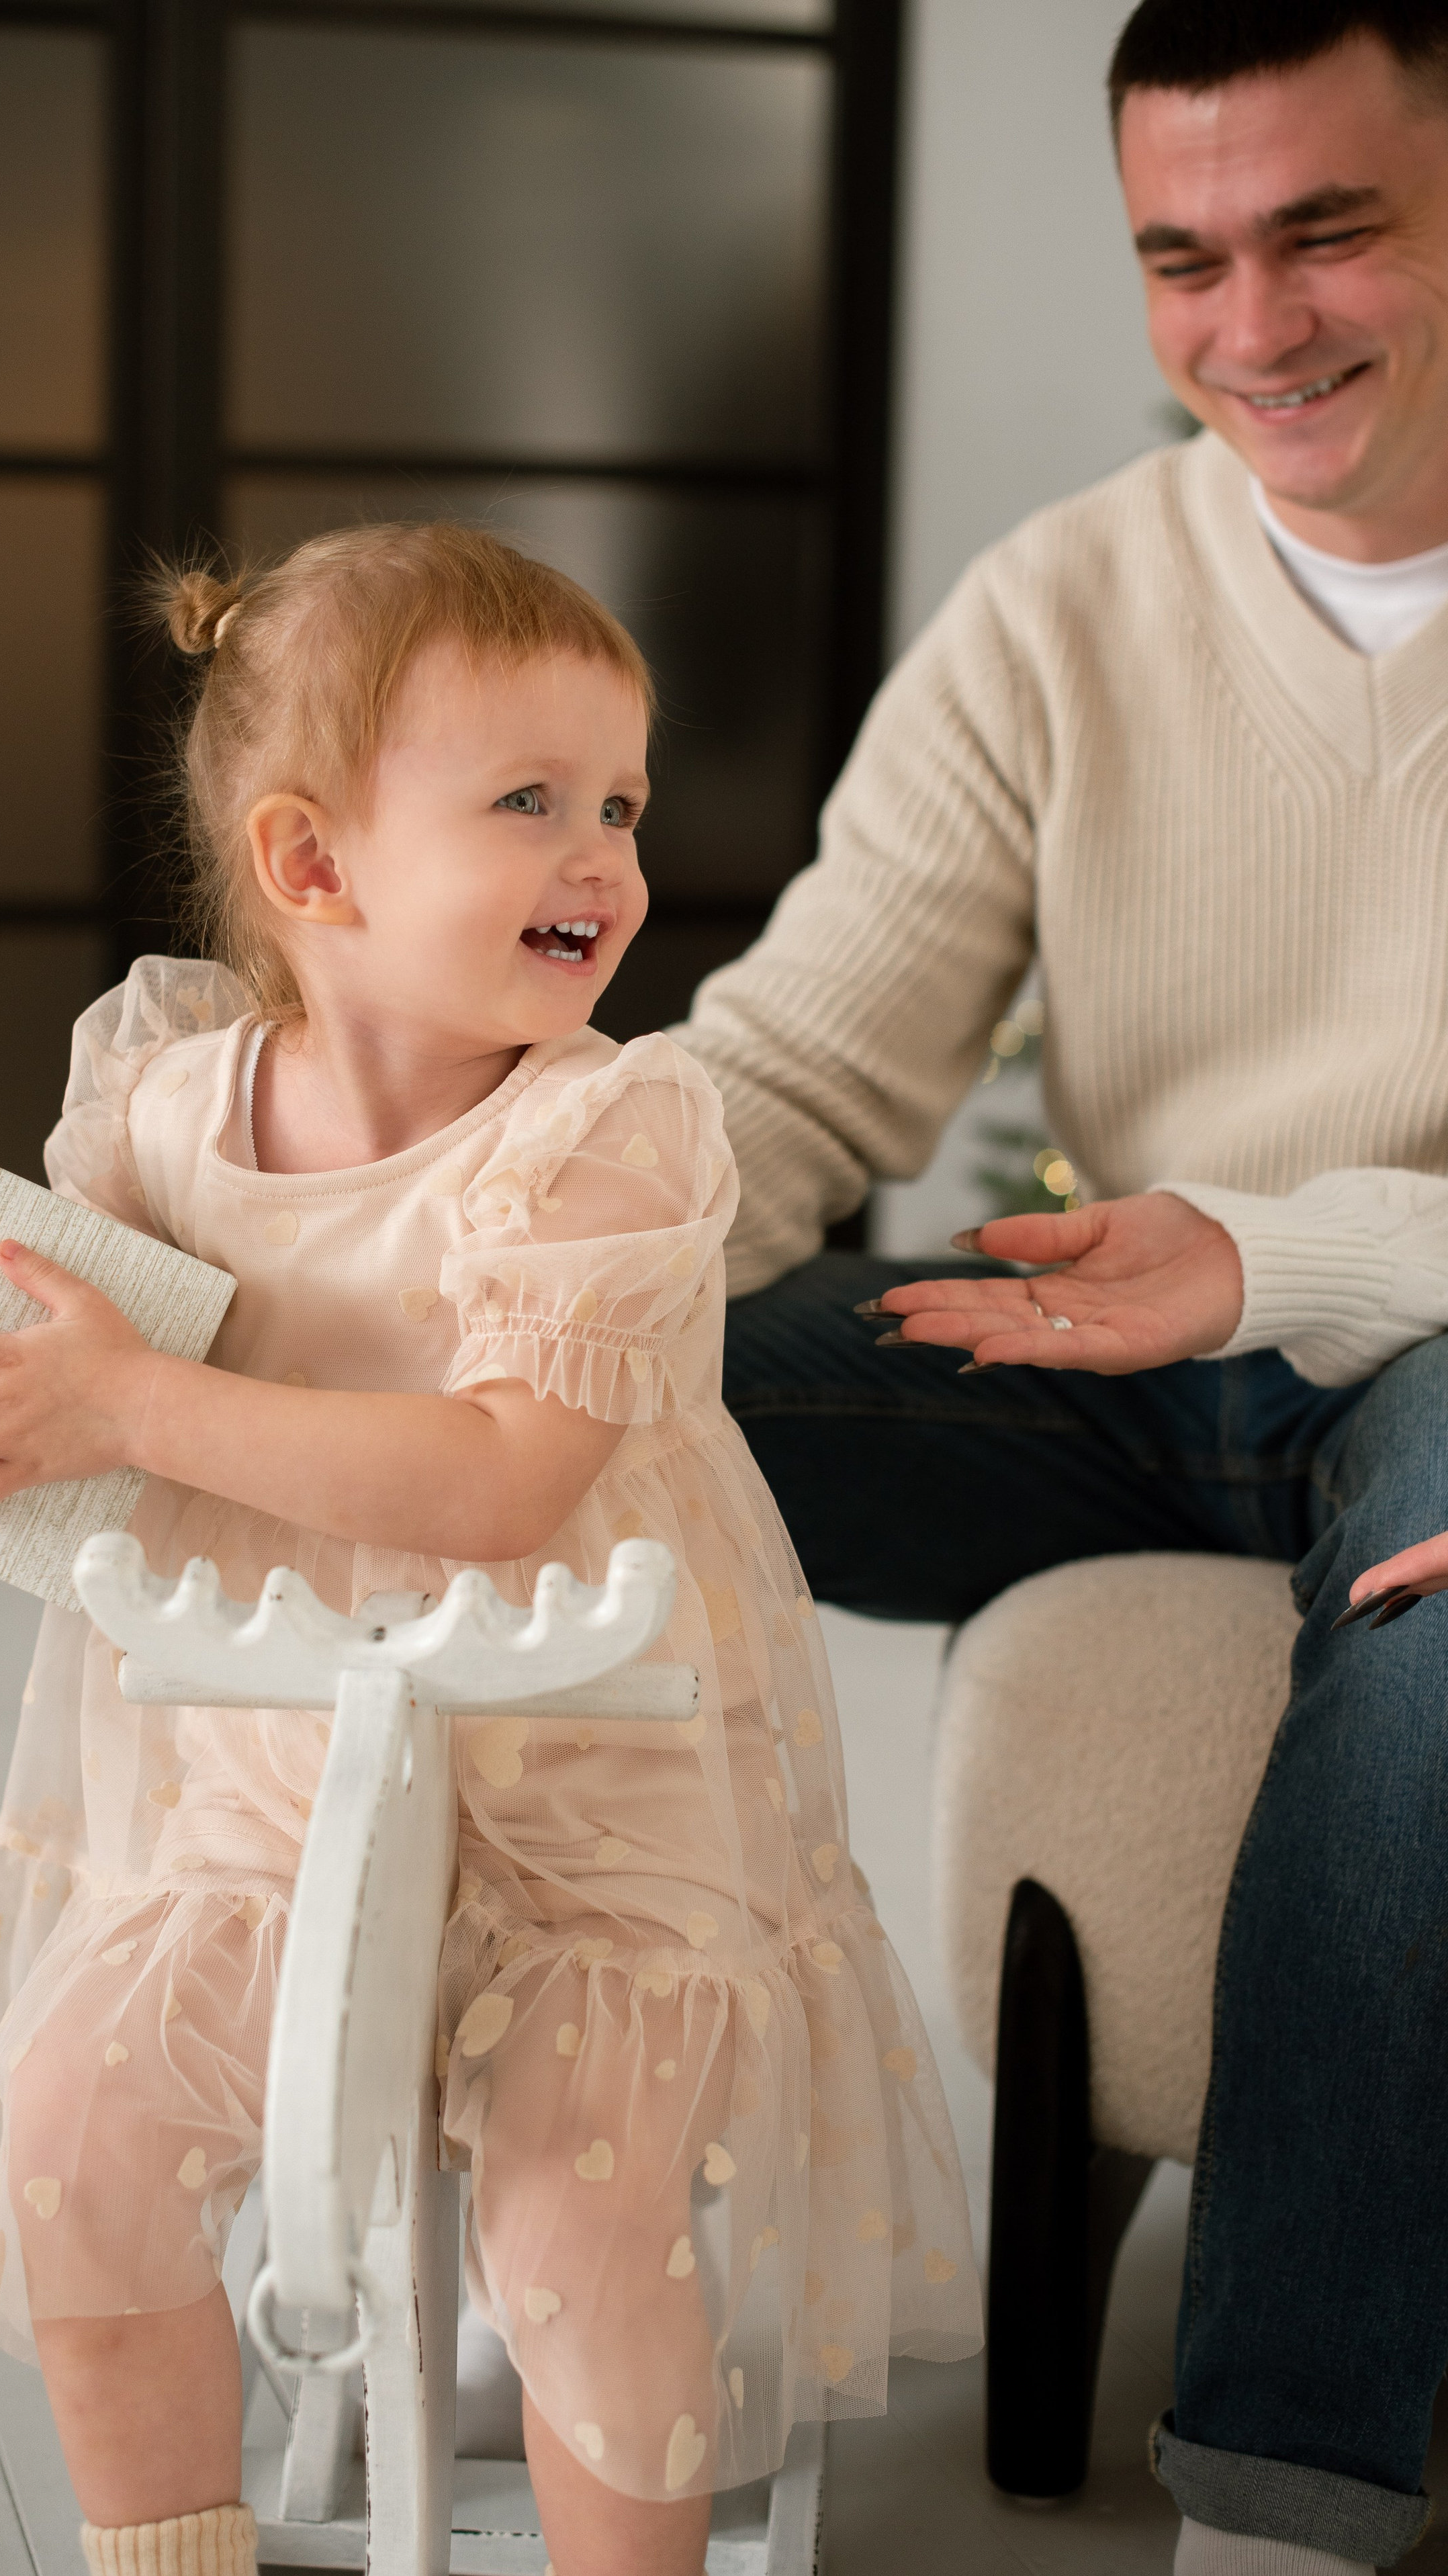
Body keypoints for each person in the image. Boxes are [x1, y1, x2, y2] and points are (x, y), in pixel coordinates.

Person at [0, 525, 979, 2576]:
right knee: (75, 2130)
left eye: (624, 803)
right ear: (312, 868)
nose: (607, 858)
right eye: (530, 801)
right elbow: (87, 1385)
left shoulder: (603, 1133)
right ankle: (168, 2548)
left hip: (585, 1799)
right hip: (269, 1788)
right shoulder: (166, 1108)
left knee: (580, 2210)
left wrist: (133, 1412)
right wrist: (17, 1460)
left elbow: (497, 1482)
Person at [678, 4, 1448, 2571]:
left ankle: (1285, 2502)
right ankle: (559, 2241)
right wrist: (510, 1267)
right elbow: (797, 1070)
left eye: (1331, 229)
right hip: (1110, 1346)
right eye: (1185, 257)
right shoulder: (1063, 611)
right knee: (565, 1401)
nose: (1259, 326)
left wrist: (1294, 1246)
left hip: (1433, 1357)